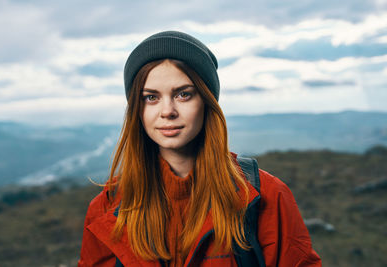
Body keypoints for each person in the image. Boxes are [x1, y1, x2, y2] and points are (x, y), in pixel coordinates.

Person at [78, 31, 321, 267]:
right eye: (151, 97)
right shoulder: (106, 209)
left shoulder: (266, 196)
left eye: (183, 94)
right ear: (136, 110)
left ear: (206, 101)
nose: (167, 111)